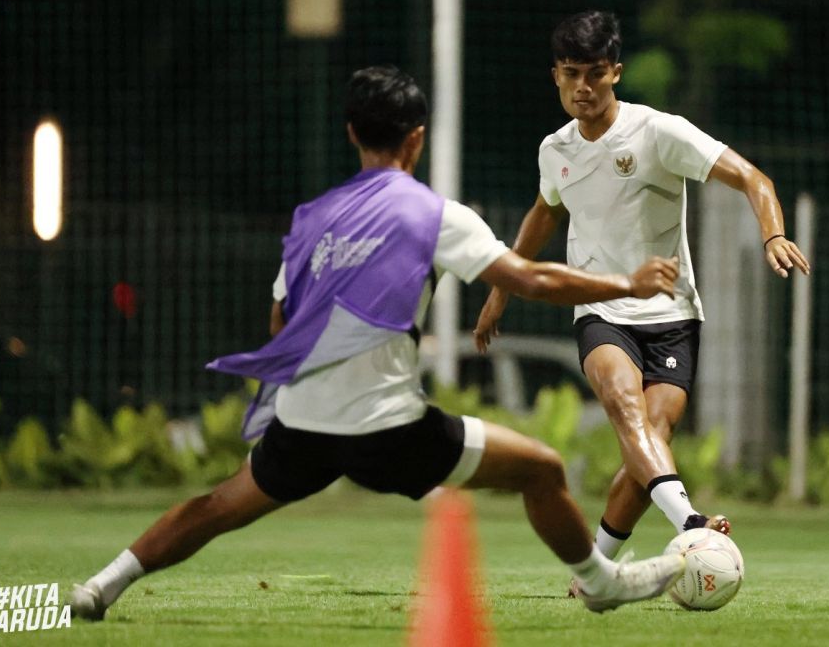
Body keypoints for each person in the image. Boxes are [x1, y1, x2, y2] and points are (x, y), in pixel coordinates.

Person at [71, 65, 687, 622]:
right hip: (388, 430)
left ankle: (103, 583)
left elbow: (279, 323)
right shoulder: (434, 215)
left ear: (351, 134)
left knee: (214, 506)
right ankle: (600, 581)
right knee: (541, 468)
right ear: (416, 137)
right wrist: (623, 281)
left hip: (303, 422)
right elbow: (529, 278)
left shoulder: (313, 217)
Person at [473, 11, 811, 570]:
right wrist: (501, 289)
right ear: (555, 76)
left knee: (648, 442)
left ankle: (595, 571)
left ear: (617, 73)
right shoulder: (554, 150)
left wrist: (773, 231)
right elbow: (543, 213)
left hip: (673, 312)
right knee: (626, 407)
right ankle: (692, 524)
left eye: (596, 73)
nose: (583, 87)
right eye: (571, 73)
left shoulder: (659, 132)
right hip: (601, 309)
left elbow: (755, 179)